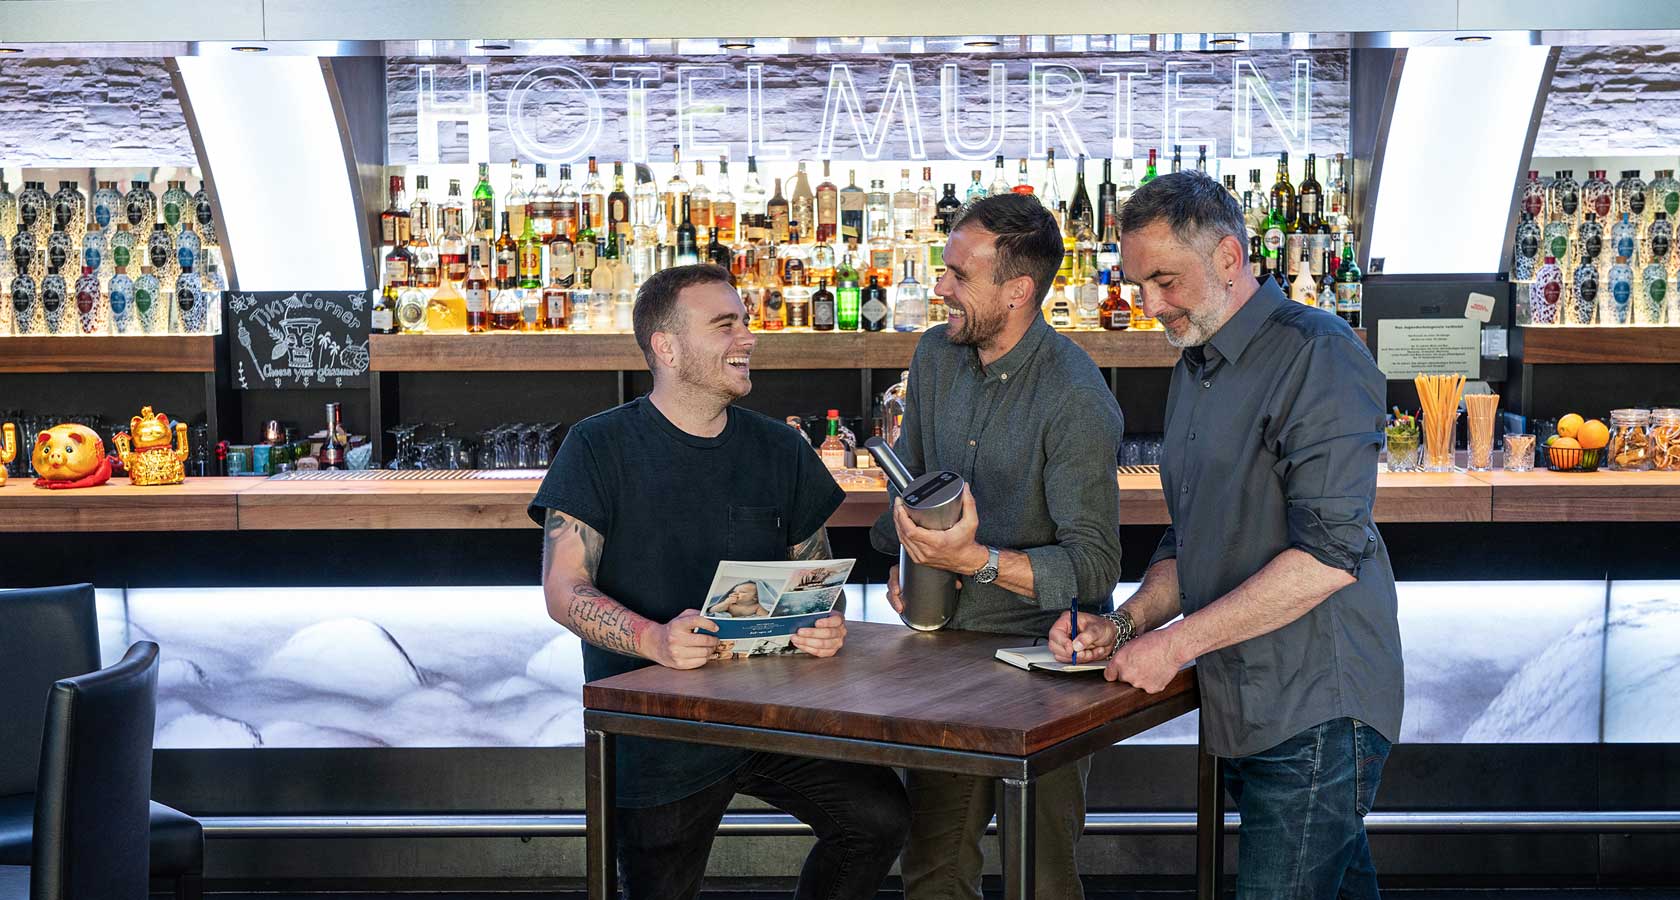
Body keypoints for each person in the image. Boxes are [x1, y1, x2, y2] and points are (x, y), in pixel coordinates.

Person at [1049, 171, 1403, 899]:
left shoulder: (1320, 354)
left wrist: (1173, 645)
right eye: (1138, 282)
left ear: (1230, 261)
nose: (1149, 304)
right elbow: (1193, 537)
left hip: (1317, 708)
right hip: (1243, 699)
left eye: (1164, 281)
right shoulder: (1196, 366)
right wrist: (1123, 625)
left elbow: (1329, 557)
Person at [530, 264, 909, 900]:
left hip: (774, 709)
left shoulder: (781, 450)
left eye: (746, 321)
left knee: (879, 820)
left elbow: (815, 577)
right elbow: (564, 590)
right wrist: (654, 640)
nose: (748, 336)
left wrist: (822, 622)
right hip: (658, 725)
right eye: (725, 324)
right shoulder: (598, 447)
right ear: (667, 347)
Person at [871, 192, 1126, 900]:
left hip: (1045, 666)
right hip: (942, 651)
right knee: (932, 869)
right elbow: (910, 493)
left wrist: (973, 561)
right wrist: (905, 551)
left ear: (1017, 291)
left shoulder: (1075, 396)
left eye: (958, 274)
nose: (940, 286)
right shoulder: (934, 355)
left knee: (1038, 875)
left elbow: (1096, 568)